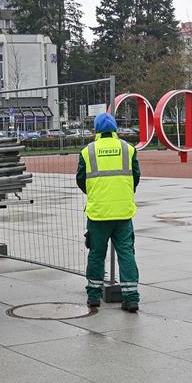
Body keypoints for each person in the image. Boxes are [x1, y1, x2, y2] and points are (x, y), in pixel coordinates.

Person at [76, 113, 141, 313]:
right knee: (126, 253)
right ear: (115, 129)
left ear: (96, 130)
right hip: (123, 212)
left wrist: (95, 192)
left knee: (96, 254)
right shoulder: (128, 149)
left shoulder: (88, 151)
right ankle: (131, 298)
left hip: (98, 213)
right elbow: (136, 176)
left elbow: (80, 179)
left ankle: (94, 297)